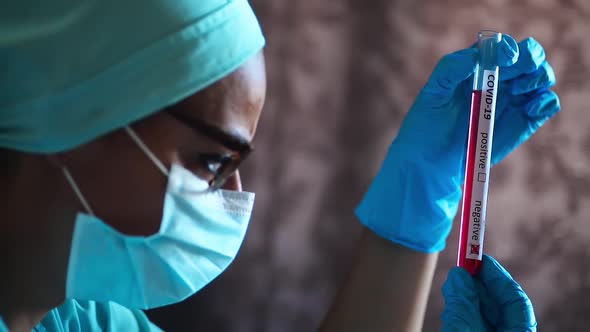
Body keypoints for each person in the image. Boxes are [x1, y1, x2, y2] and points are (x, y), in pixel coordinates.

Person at [0, 0, 559, 331]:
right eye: (212, 159)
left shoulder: (86, 320)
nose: (235, 193)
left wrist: (418, 209)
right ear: (67, 118)